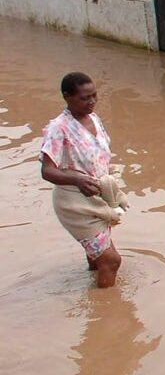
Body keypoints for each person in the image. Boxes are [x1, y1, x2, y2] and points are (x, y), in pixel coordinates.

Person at [40, 72, 127, 288]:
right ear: (67, 97)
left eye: (94, 96)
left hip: (97, 196)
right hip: (75, 203)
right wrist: (77, 180)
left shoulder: (94, 118)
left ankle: (93, 279)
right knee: (111, 260)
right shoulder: (58, 128)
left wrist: (111, 186)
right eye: (84, 98)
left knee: (99, 256)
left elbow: (101, 155)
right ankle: (105, 312)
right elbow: (47, 171)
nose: (92, 102)